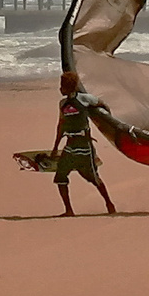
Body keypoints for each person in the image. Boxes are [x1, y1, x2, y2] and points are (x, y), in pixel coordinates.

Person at [50, 70, 118, 217]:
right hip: (70, 145)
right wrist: (55, 147)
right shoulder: (62, 103)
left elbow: (103, 105)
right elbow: (61, 125)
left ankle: (109, 204)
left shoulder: (85, 99)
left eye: (62, 86)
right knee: (60, 177)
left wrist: (108, 125)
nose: (60, 89)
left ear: (70, 87)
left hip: (84, 146)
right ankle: (69, 210)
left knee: (93, 178)